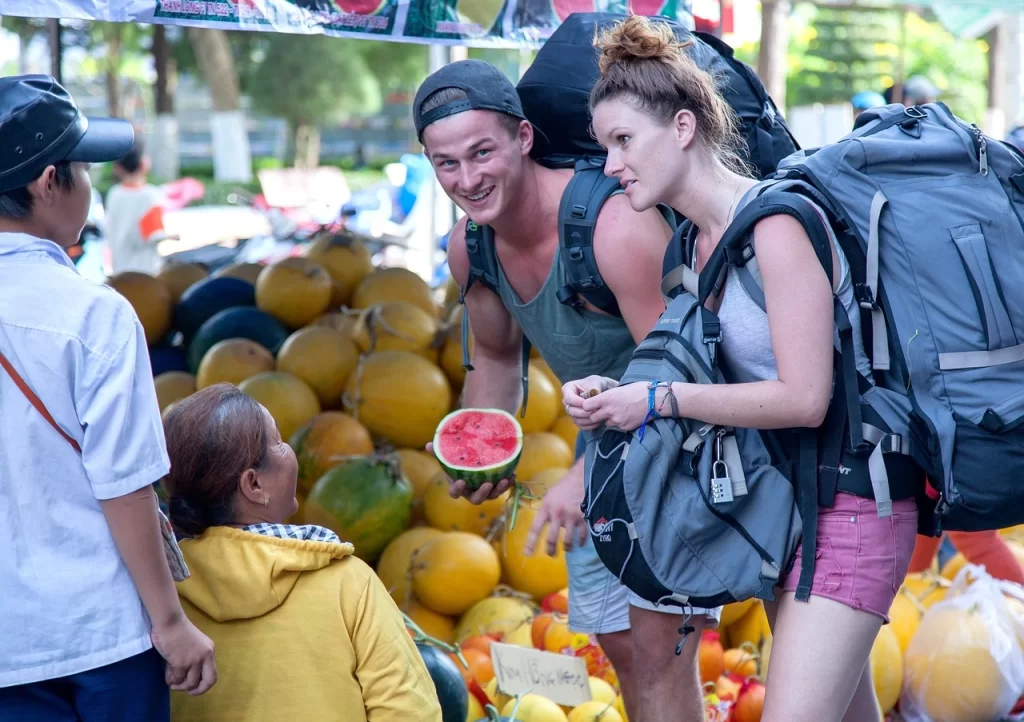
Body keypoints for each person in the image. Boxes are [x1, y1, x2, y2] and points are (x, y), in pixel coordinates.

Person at [562, 16, 920, 722]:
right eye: (605, 145)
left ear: (684, 127)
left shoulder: (776, 227)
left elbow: (805, 397)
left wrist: (660, 401)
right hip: (787, 511)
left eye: (623, 140)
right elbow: (719, 377)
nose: (610, 165)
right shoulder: (690, 247)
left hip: (852, 502)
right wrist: (621, 393)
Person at [413, 59, 718, 722]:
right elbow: (493, 356)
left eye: (482, 152)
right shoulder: (472, 247)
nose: (467, 180)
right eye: (446, 164)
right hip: (600, 444)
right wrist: (480, 441)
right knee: (621, 645)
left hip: (681, 438)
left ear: (523, 139)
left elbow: (679, 363)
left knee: (660, 650)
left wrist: (587, 472)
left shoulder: (613, 229)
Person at [0, 74, 216, 720]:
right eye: (82, 167)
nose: (91, 186)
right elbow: (124, 485)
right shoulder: (96, 315)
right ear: (47, 183)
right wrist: (171, 622)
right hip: (98, 641)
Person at [161, 383, 442, 722]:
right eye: (278, 441)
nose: (290, 449)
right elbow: (409, 711)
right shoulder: (348, 581)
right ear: (254, 485)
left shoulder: (160, 596)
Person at [104, 136, 167, 275]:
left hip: (119, 271)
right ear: (144, 164)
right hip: (145, 273)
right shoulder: (151, 195)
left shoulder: (113, 194)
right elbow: (154, 235)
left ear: (118, 168)